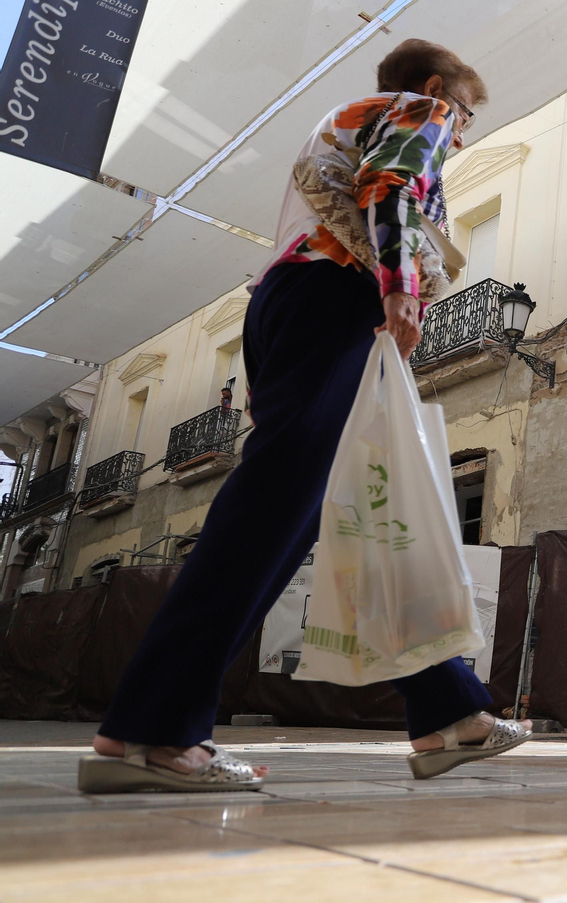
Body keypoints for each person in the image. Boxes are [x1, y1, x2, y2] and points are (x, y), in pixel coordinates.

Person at [79, 40, 533, 794]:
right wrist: (398, 291)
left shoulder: (340, 123)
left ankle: (447, 711)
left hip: (295, 303)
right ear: (436, 90)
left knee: (339, 511)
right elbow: (393, 188)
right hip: (336, 298)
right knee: (270, 516)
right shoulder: (414, 110)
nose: (460, 132)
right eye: (466, 115)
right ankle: (151, 730)